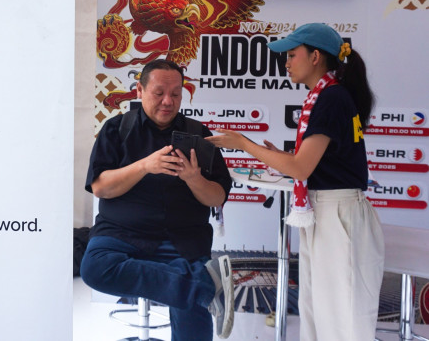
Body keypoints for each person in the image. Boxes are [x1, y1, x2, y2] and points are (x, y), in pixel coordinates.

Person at [206, 23, 384, 341]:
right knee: (320, 311)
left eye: (292, 54)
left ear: (315, 56)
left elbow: (301, 168)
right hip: (329, 212)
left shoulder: (331, 99)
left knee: (341, 316)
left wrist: (244, 143)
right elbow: (310, 165)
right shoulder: (328, 96)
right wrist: (278, 157)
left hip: (338, 216)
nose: (286, 63)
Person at [80, 59, 234, 340]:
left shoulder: (198, 134)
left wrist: (193, 178)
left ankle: (191, 284)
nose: (167, 101)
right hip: (120, 233)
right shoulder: (117, 129)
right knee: (94, 268)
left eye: (176, 94)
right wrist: (143, 166)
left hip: (183, 238)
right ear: (139, 90)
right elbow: (100, 187)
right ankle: (201, 284)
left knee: (191, 319)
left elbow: (218, 196)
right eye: (158, 92)